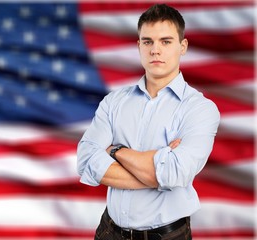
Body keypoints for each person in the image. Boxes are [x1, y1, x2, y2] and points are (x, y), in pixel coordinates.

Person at [77, 3, 220, 240]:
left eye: (165, 41)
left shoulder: (200, 109)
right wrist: (157, 172)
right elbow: (85, 160)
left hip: (167, 236)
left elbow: (175, 173)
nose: (155, 50)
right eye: (147, 41)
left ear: (182, 46)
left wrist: (115, 150)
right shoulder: (114, 102)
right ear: (139, 46)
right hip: (109, 231)